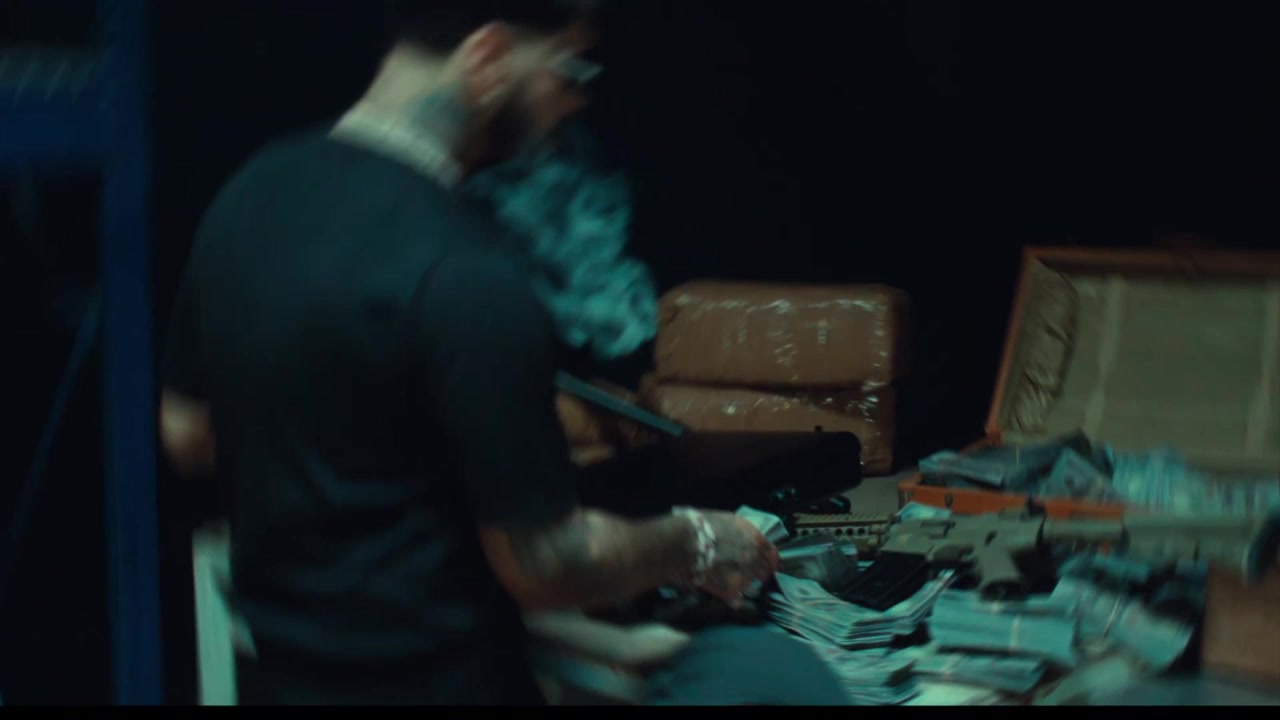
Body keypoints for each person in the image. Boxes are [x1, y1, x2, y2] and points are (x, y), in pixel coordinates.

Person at [160, 0, 845, 706]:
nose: (575, 101)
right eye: (569, 69)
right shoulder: (467, 271)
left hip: (282, 684)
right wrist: (696, 541)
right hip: (442, 688)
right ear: (487, 58)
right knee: (774, 678)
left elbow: (185, 434)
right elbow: (547, 564)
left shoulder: (251, 191)